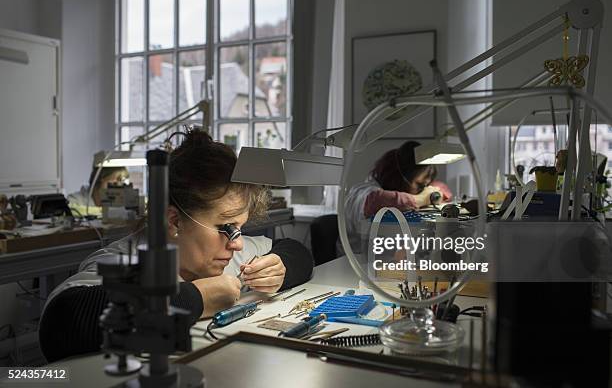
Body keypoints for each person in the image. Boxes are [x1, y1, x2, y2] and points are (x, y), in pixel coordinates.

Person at [39, 129, 314, 362]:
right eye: (226, 228)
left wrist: (280, 267)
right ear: (174, 221)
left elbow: (295, 250)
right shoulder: (125, 261)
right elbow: (64, 322)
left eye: (240, 229)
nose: (238, 244)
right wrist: (194, 298)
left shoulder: (227, 255)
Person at [342, 141, 452, 254]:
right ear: (399, 177)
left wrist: (433, 192)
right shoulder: (361, 193)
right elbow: (376, 200)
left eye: (425, 186)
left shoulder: (398, 193)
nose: (422, 190)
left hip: (383, 260)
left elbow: (441, 187)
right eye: (419, 185)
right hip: (353, 262)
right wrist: (420, 199)